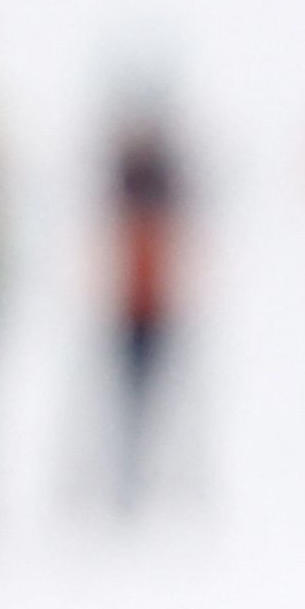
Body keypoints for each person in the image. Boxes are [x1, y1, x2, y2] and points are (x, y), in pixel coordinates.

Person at [105, 91, 186, 512]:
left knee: (163, 390)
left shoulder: (168, 177)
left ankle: (164, 477)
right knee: (121, 390)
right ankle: (122, 471)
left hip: (161, 297)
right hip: (122, 298)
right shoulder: (119, 176)